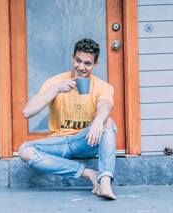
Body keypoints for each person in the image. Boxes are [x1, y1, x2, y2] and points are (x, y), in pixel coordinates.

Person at [18, 38, 117, 199]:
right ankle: (89, 173)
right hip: (58, 143)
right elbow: (27, 112)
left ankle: (105, 180)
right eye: (78, 61)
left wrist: (98, 121)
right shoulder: (55, 82)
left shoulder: (102, 87)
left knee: (107, 121)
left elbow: (105, 106)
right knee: (25, 151)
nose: (81, 67)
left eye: (87, 63)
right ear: (72, 57)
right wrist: (57, 88)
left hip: (84, 141)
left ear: (95, 64)